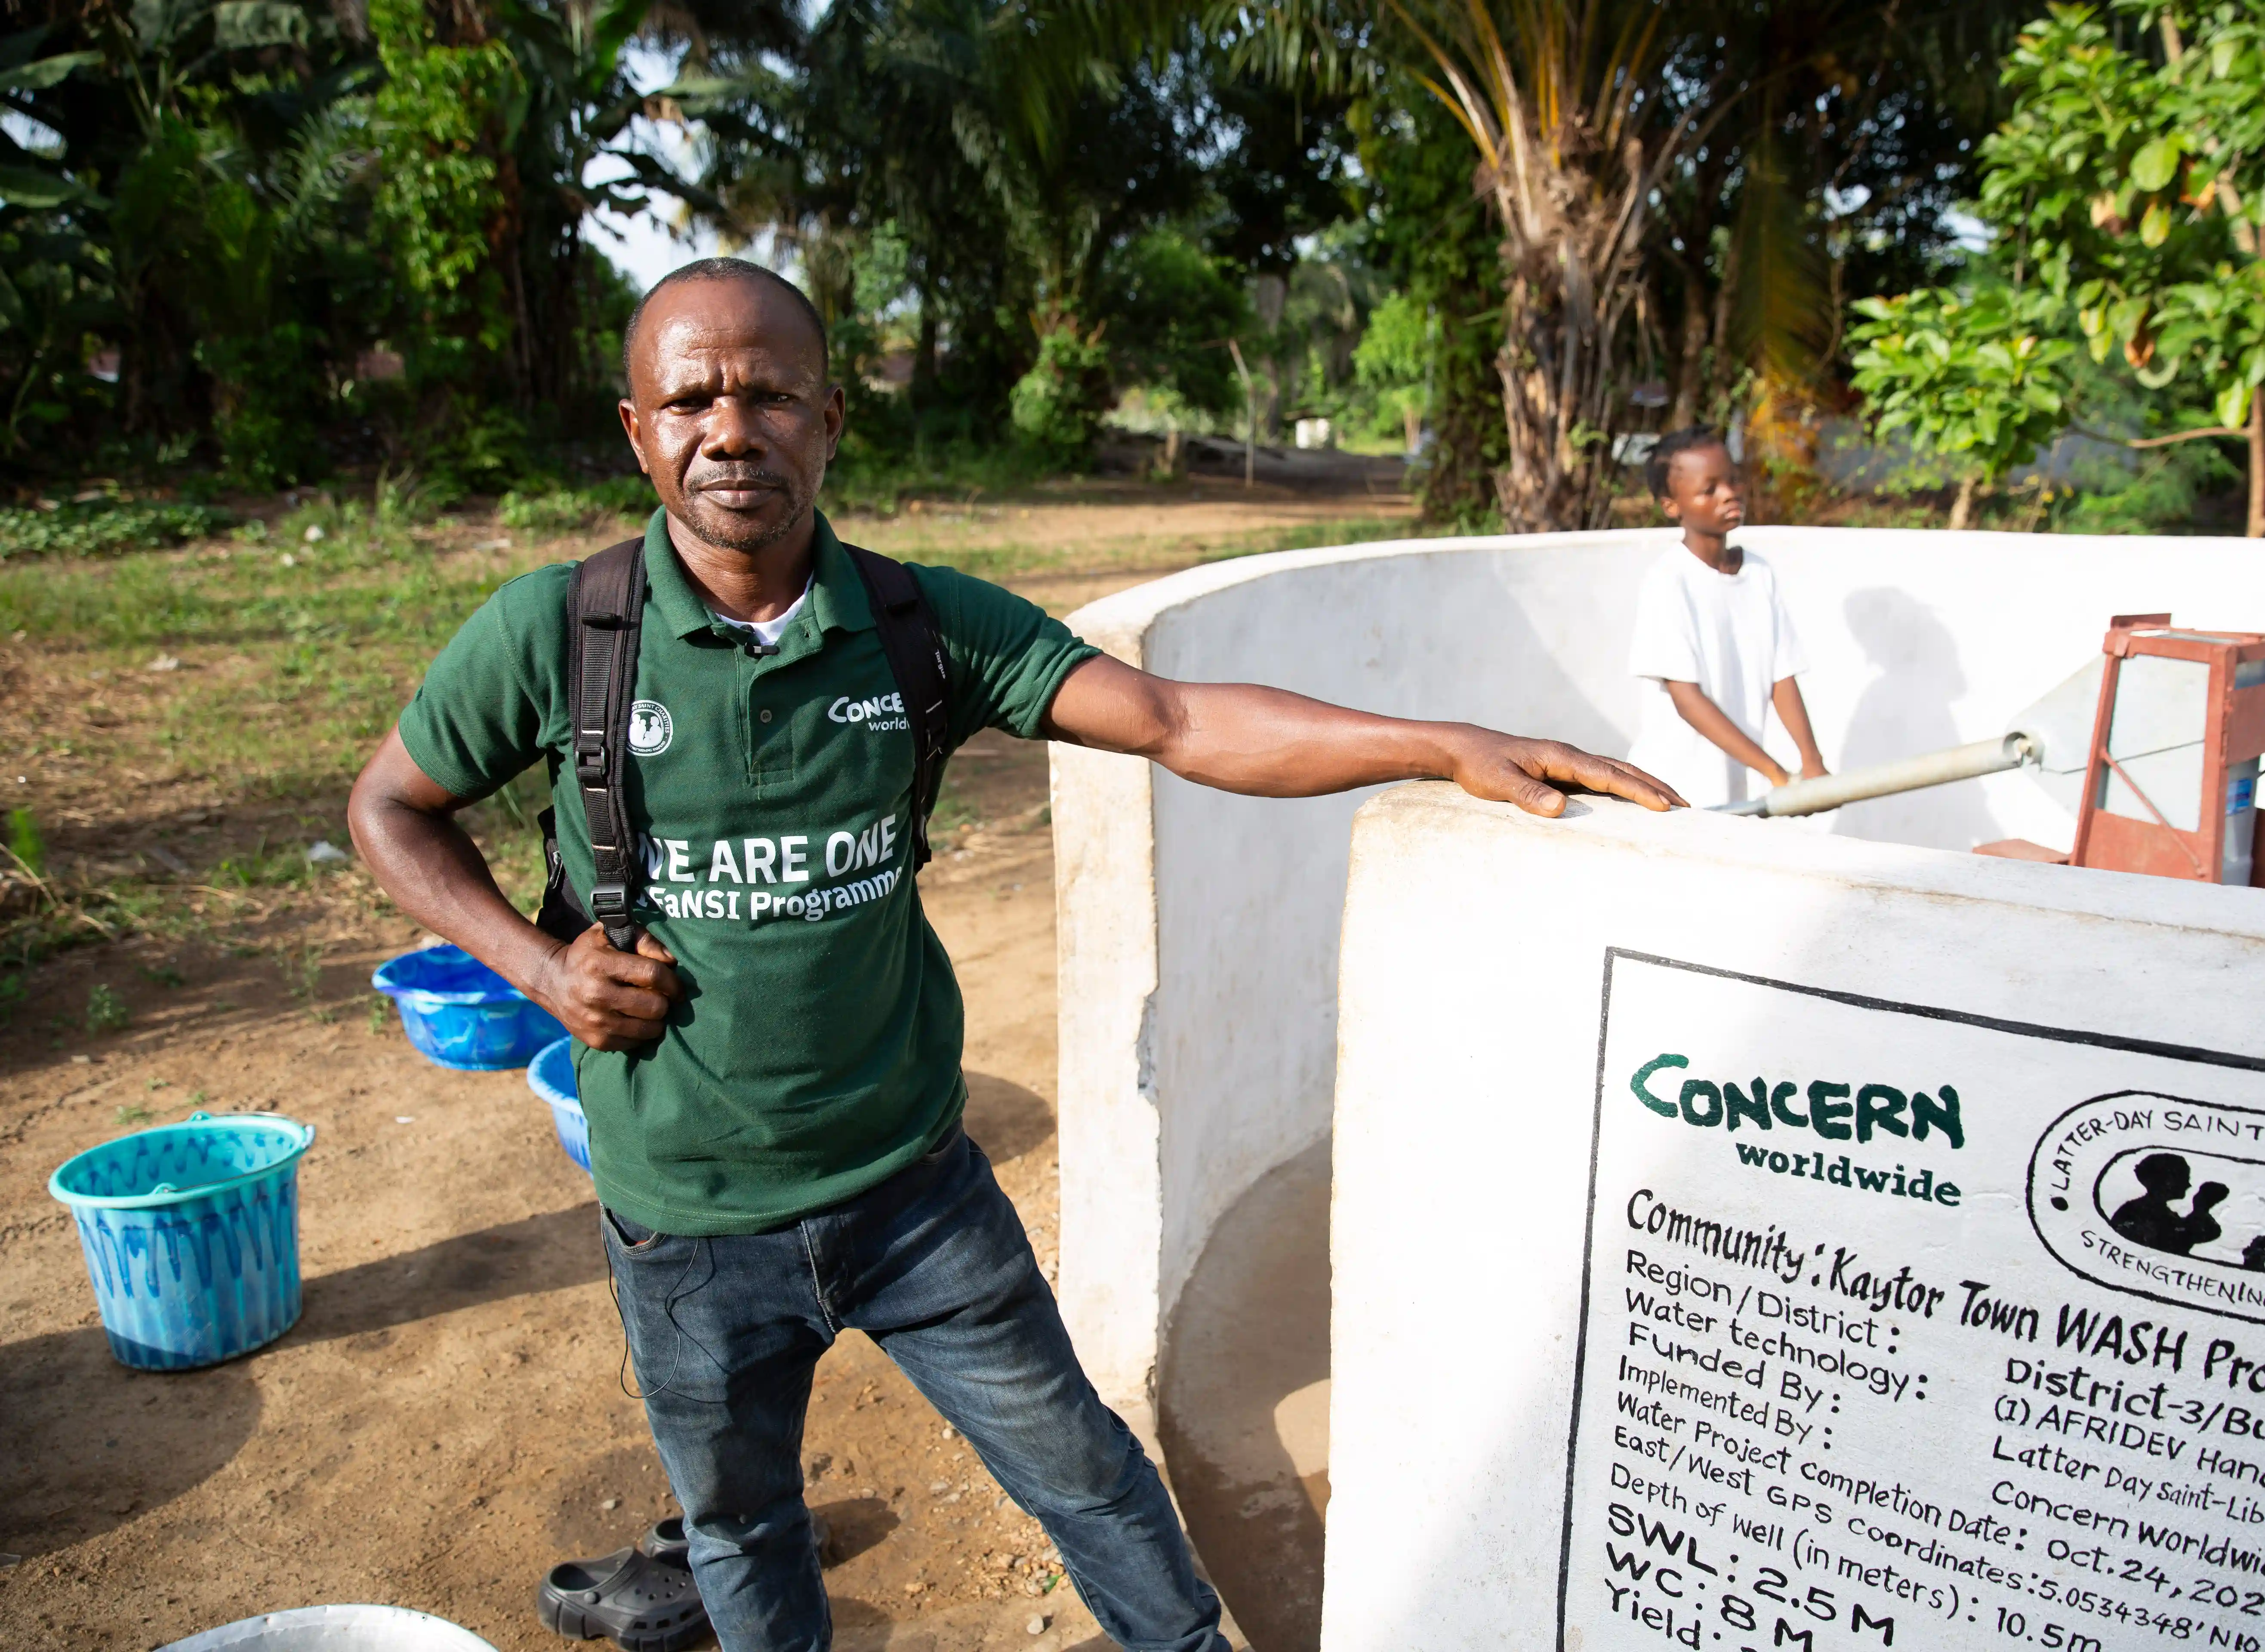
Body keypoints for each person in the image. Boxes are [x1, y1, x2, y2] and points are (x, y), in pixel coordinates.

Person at [346, 257, 1685, 1652]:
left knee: (1090, 1475)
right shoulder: (561, 637)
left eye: (770, 394)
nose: (730, 428)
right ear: (638, 430)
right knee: (741, 1534)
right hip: (684, 1218)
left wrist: (1440, 742)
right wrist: (538, 967)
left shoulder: (919, 628)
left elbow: (1172, 716)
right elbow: (388, 809)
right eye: (691, 398)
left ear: (830, 419)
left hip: (915, 1195)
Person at [1625, 428, 1829, 808]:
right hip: (1674, 792)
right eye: (1710, 489)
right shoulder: (1669, 581)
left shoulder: (1759, 573)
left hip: (1737, 788)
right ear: (1672, 506)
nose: (1730, 493)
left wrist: (1812, 763)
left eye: (1733, 480)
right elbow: (1687, 699)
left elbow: (1781, 675)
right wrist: (1775, 773)